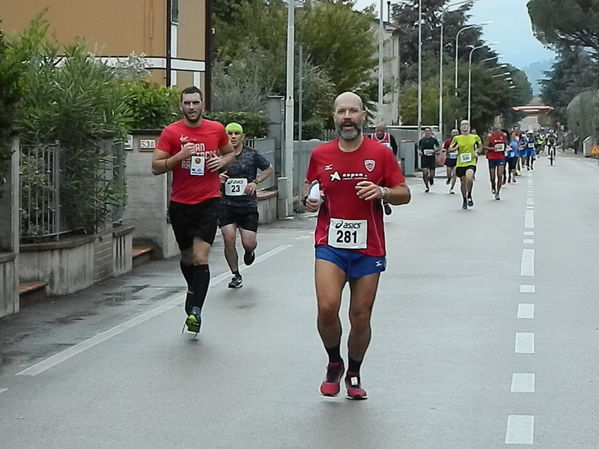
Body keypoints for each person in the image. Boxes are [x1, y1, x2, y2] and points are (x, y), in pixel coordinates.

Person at [303, 92, 411, 400]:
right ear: (334, 117)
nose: (347, 116)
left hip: (369, 247)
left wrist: (381, 192)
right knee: (326, 308)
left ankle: (354, 371)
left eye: (353, 111)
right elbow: (309, 187)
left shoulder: (380, 154)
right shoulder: (321, 154)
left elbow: (404, 193)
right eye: (341, 111)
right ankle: (334, 361)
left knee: (360, 316)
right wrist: (309, 200)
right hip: (330, 244)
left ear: (363, 116)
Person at [151, 86, 235, 334]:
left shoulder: (216, 129)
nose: (191, 107)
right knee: (187, 257)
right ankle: (192, 291)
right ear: (181, 106)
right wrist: (179, 156)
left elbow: (229, 153)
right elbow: (156, 167)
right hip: (181, 204)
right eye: (187, 103)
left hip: (209, 201)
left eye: (195, 102)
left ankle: (196, 310)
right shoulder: (172, 132)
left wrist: (221, 161)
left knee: (201, 256)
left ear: (203, 104)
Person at [218, 123, 273, 288]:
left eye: (236, 133)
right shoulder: (219, 156)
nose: (233, 136)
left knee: (248, 242)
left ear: (242, 137)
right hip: (226, 205)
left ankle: (249, 251)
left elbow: (268, 169)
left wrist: (255, 182)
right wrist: (217, 178)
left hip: (247, 205)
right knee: (229, 239)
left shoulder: (252, 155)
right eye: (229, 133)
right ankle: (235, 274)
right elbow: (206, 175)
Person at [448, 120, 482, 210]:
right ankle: (464, 199)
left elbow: (480, 146)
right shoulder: (457, 138)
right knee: (463, 183)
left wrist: (477, 152)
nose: (464, 126)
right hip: (460, 163)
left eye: (466, 124)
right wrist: (456, 148)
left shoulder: (475, 137)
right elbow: (450, 149)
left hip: (471, 162)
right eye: (462, 125)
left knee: (469, 178)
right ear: (460, 127)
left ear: (469, 126)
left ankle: (469, 194)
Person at [484, 124, 508, 200]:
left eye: (499, 128)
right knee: (492, 177)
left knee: (500, 175)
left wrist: (505, 148)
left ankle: (498, 193)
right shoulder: (490, 136)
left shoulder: (503, 135)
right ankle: (493, 185)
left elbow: (505, 144)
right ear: (493, 129)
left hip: (500, 157)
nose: (497, 130)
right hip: (492, 157)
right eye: (496, 129)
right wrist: (492, 148)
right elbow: (485, 146)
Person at [418, 127, 440, 192]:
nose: (427, 133)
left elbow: (439, 147)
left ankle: (431, 178)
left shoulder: (433, 140)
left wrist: (435, 151)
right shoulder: (422, 140)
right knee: (425, 173)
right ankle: (427, 187)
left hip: (431, 157)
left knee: (432, 174)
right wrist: (419, 152)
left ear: (430, 132)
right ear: (424, 133)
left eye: (428, 131)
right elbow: (419, 148)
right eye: (426, 131)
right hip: (424, 157)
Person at [443, 129, 459, 194]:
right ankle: (449, 178)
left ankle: (452, 188)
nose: (454, 134)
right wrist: (444, 151)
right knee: (449, 174)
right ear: (451, 134)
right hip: (449, 159)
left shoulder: (460, 141)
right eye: (453, 133)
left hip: (457, 159)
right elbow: (444, 149)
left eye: (456, 133)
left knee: (455, 174)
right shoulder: (448, 141)